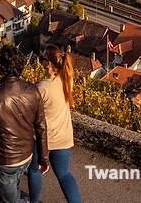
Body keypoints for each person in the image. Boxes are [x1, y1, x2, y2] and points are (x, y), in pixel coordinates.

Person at [0, 45, 48, 203]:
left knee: (8, 198)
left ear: (0, 67)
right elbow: (41, 127)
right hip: (27, 154)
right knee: (15, 186)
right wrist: (43, 158)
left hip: (6, 159)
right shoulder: (33, 90)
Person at [27, 46, 81, 203]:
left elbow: (31, 111)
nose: (41, 61)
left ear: (48, 63)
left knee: (35, 169)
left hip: (44, 138)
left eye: (42, 58)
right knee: (64, 174)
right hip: (64, 136)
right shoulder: (66, 81)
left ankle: (34, 201)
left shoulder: (43, 87)